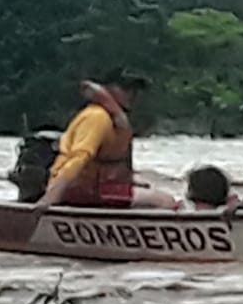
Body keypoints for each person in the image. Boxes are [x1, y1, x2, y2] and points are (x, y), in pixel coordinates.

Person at [33, 69, 177, 213]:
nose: (132, 94)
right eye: (125, 88)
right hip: (84, 189)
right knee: (167, 202)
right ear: (107, 88)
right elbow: (79, 157)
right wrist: (52, 195)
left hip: (97, 187)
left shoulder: (113, 117)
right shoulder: (97, 117)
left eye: (135, 89)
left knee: (152, 187)